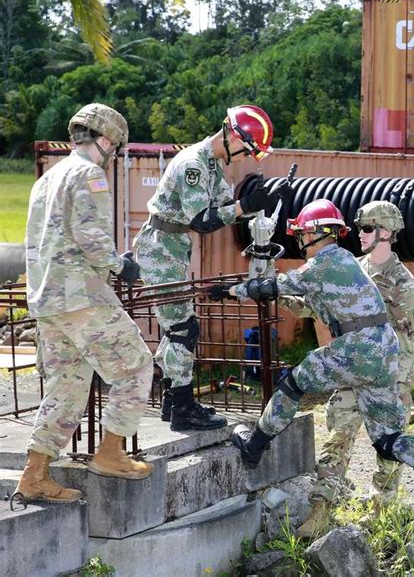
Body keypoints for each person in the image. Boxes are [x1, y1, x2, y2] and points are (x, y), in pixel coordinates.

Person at [210, 199, 414, 528]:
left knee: (293, 384)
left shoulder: (326, 262)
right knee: (386, 439)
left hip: (357, 348)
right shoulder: (348, 264)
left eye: (301, 234)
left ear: (314, 234)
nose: (298, 242)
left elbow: (275, 284)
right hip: (383, 354)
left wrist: (230, 290)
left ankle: (255, 444)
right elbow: (303, 300)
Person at [14, 103, 154, 504]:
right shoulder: (89, 174)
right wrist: (120, 265)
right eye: (117, 148)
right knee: (136, 366)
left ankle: (35, 475)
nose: (114, 156)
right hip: (81, 296)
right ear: (107, 140)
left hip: (48, 301)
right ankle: (111, 453)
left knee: (68, 387)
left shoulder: (48, 177)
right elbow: (91, 235)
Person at [134, 105, 279, 431]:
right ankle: (183, 408)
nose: (245, 158)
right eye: (246, 150)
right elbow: (202, 221)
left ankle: (173, 402)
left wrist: (259, 199)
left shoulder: (214, 165)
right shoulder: (193, 166)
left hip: (172, 248)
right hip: (160, 249)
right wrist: (245, 206)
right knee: (184, 329)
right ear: (231, 134)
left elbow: (225, 210)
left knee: (178, 328)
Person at [297, 201, 414, 536]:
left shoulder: (403, 282)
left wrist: (398, 384)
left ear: (386, 232)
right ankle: (321, 507)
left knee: (388, 445)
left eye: (368, 228)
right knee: (337, 434)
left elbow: (407, 335)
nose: (360, 235)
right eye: (360, 228)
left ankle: (381, 512)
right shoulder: (351, 268)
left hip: (388, 375)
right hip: (351, 367)